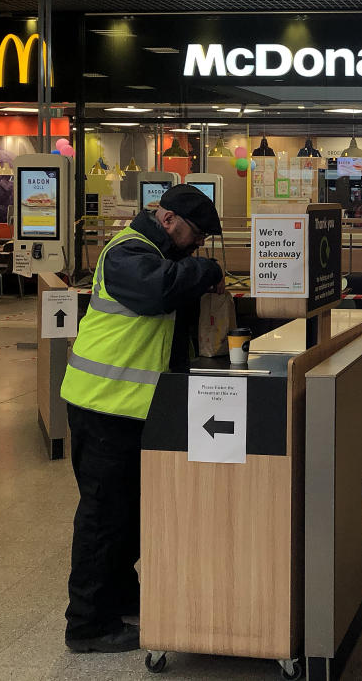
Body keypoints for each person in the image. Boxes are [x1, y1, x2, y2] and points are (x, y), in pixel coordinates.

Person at [60, 184, 224, 653]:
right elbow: (159, 292)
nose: (196, 245)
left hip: (131, 407)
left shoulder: (154, 251)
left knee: (129, 512)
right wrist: (205, 269)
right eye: (194, 235)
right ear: (168, 219)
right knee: (102, 518)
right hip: (102, 405)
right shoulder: (128, 252)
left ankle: (118, 593)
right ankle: (87, 625)